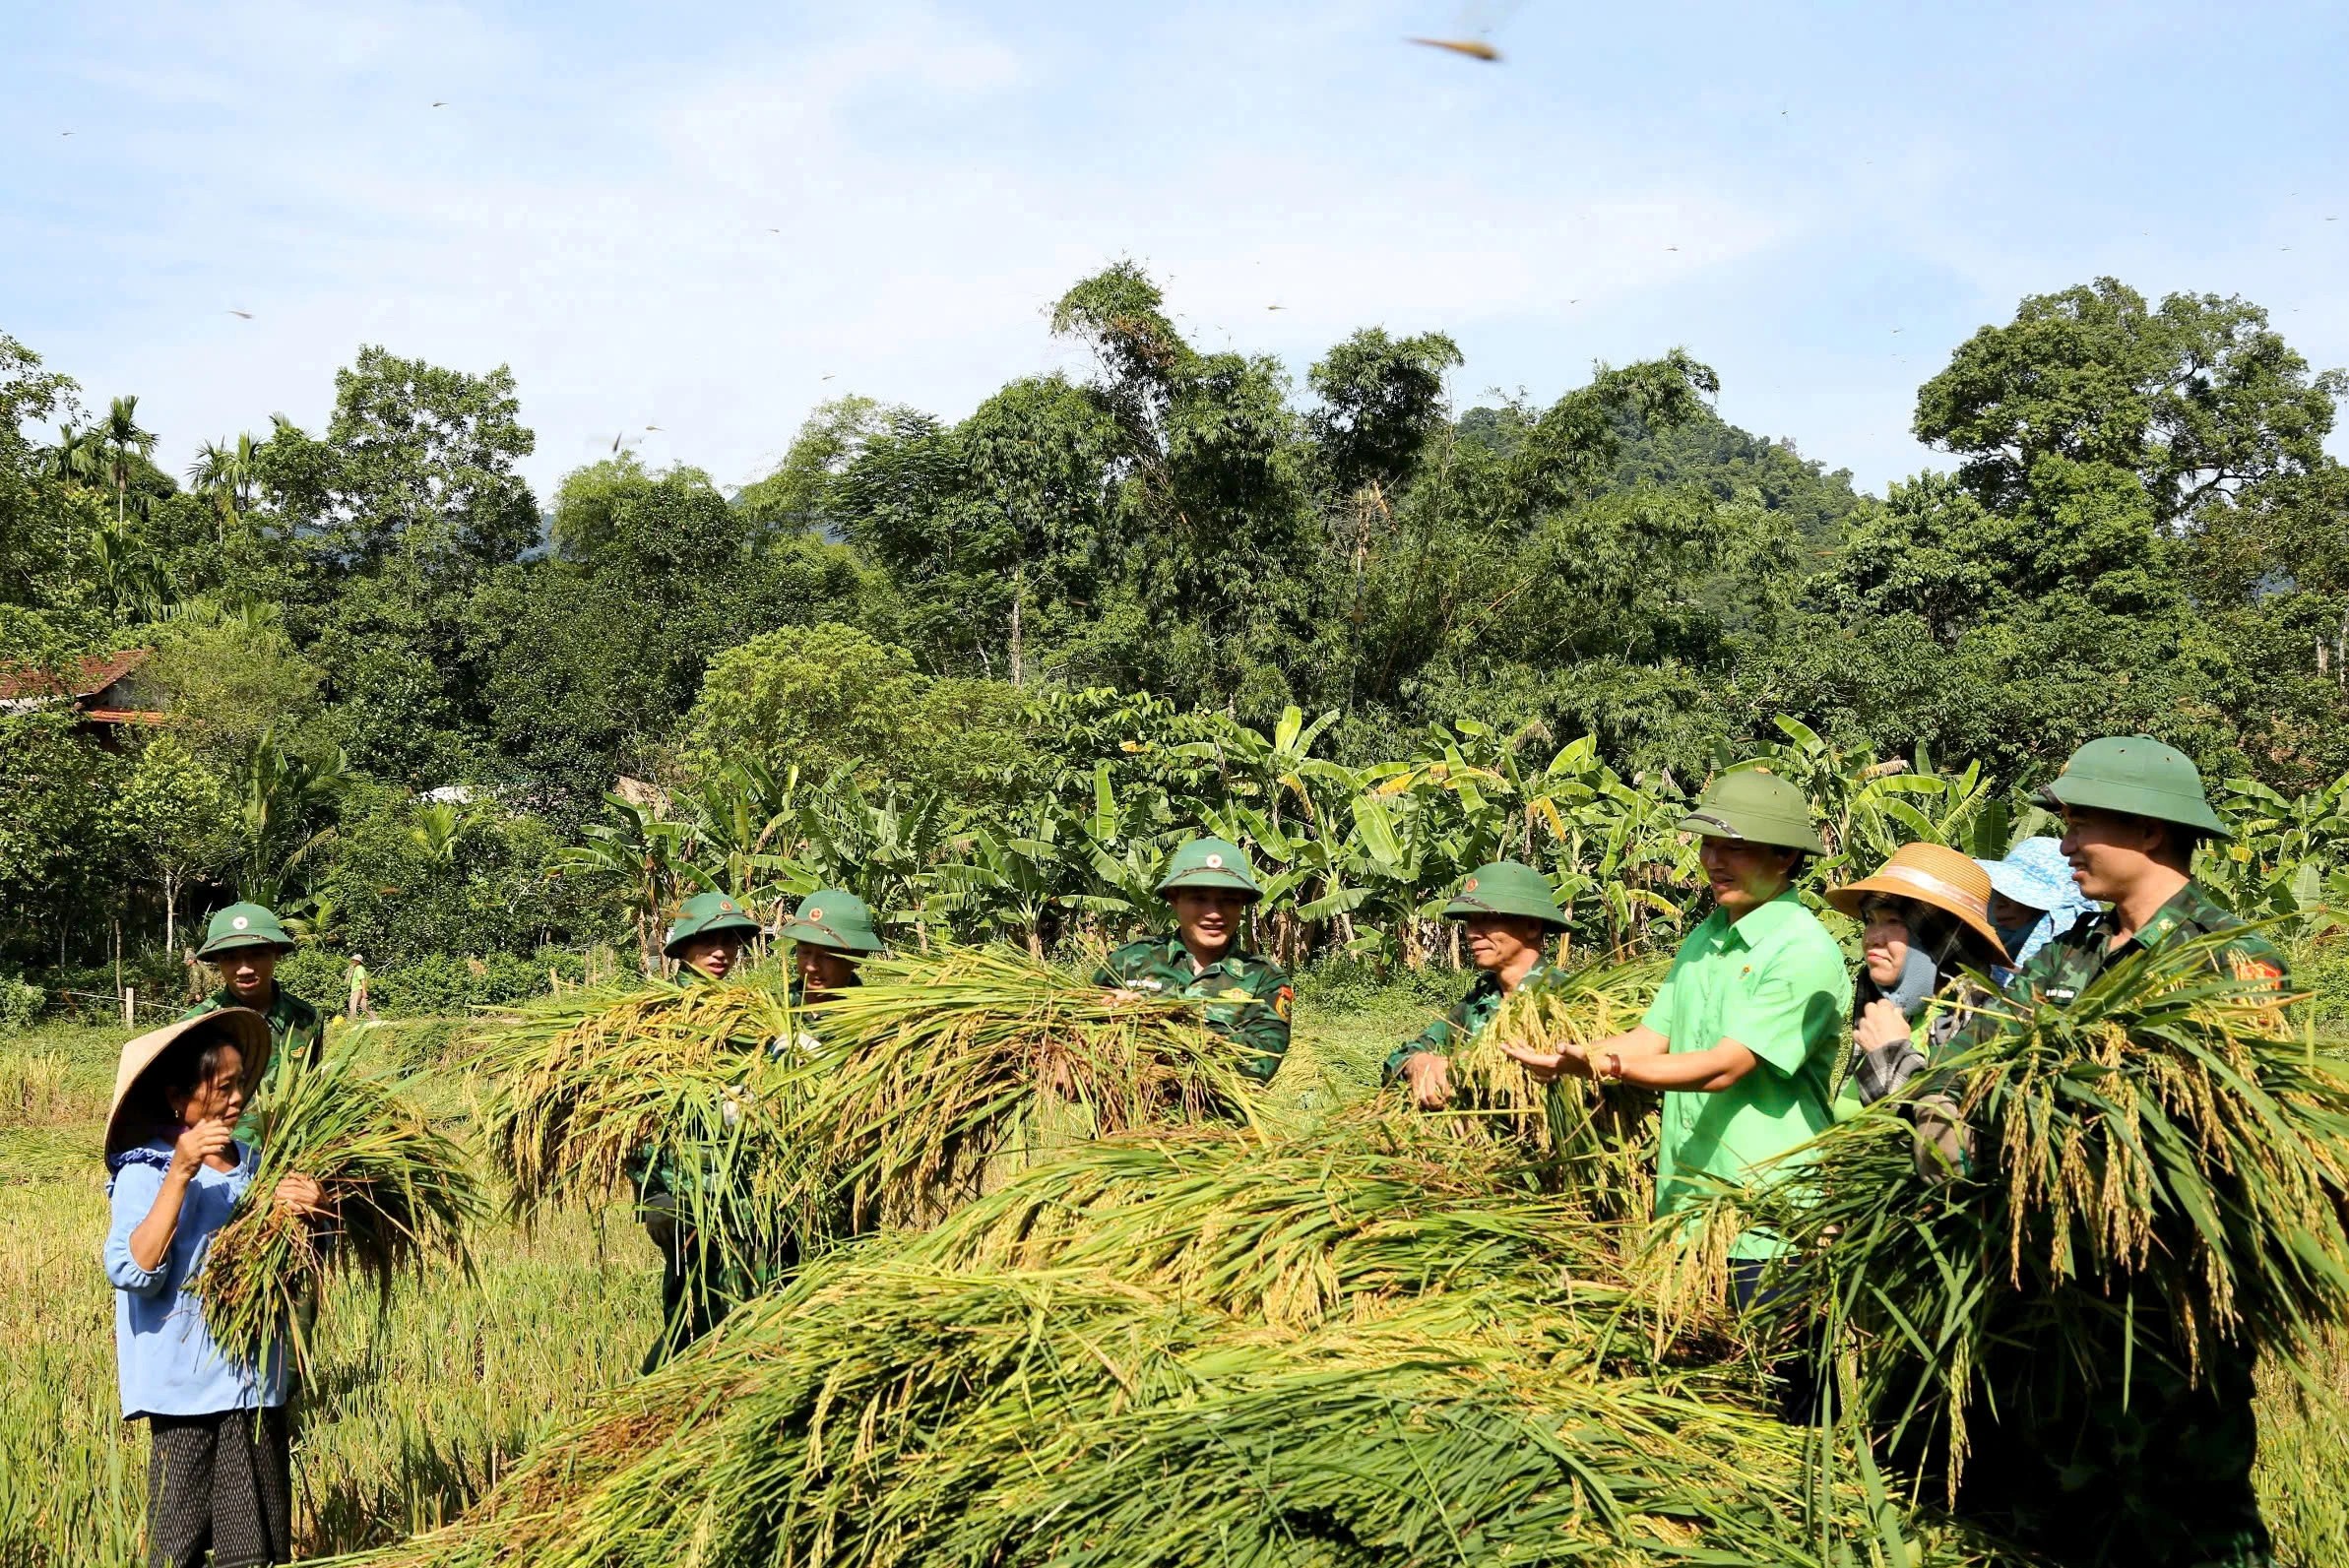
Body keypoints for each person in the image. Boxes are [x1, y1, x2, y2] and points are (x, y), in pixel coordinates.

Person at [1923, 736, 2284, 1568]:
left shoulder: (2230, 959)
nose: (2065, 841)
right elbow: (1984, 1049)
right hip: (2063, 1291)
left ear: (2151, 832)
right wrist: (1944, 1100)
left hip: (2172, 1301)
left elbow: (2237, 1133)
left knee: (2193, 1518)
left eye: (2082, 820)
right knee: (2072, 1516)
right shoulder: (2070, 948)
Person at [1500, 771, 1848, 1311]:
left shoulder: (1802, 950)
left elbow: (1724, 1067)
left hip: (1768, 1218)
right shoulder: (1707, 936)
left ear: (1784, 857)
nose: (1712, 860)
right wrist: (1577, 1057)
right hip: (1686, 1210)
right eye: (1708, 844)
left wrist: (1608, 1067)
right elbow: (1652, 1037)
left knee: (1779, 1390)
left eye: (1733, 846)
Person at [104, 1010, 329, 1568]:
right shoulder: (146, 1171)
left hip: (251, 1382)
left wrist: (312, 1213)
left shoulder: (257, 1168)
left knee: (255, 1547)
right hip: (184, 1391)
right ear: (179, 1099)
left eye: (239, 1087)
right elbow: (132, 1268)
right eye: (221, 1088)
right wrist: (180, 1172)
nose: (236, 1101)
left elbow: (290, 1268)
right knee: (176, 1545)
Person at [635, 890, 769, 1370]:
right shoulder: (658, 1016)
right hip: (681, 1189)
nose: (722, 952)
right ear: (683, 948)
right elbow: (640, 1110)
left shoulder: (748, 1011)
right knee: (694, 1309)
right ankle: (652, 1402)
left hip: (740, 1184)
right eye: (709, 941)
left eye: (730, 942)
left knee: (749, 1302)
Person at [1823, 843, 2007, 1113]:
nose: (1872, 938)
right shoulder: (1892, 1010)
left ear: (1936, 938)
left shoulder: (1974, 1025)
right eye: (1870, 920)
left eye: (1894, 922)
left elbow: (1943, 1132)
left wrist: (1889, 1052)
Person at [1095, 838, 1293, 1083]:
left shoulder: (1264, 978)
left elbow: (1258, 1066)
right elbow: (1076, 1053)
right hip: (1130, 1118)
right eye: (1198, 898)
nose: (1213, 913)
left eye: (1228, 900)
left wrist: (1155, 1022)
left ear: (1242, 904)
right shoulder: (1128, 962)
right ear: (1174, 899)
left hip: (1215, 1120)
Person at [1382, 859, 1568, 1107]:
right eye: (1470, 921)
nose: (1471, 933)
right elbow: (1403, 1056)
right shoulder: (1477, 1002)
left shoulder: (1567, 998)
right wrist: (1418, 1063)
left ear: (1532, 926)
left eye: (1486, 919)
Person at [181, 904, 322, 1145]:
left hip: (292, 1158)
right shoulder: (196, 1026)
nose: (244, 968)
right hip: (225, 1164)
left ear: (276, 952)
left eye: (257, 954)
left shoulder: (306, 1019)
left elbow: (313, 1093)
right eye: (231, 957)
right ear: (217, 961)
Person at [1974, 835, 2096, 982]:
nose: (1999, 904)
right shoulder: (1993, 941)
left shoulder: (2067, 960)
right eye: (1999, 893)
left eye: (2017, 893)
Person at [779, 889, 886, 1005]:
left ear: (859, 956)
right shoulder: (770, 1008)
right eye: (805, 952)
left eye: (827, 956)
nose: (811, 967)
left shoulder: (873, 1017)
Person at [665, 891, 761, 982]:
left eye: (729, 941)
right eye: (707, 941)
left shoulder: (731, 997)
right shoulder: (668, 999)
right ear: (683, 947)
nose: (720, 954)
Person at [345, 953, 372, 1021]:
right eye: (352, 960)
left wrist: (364, 992)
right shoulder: (358, 968)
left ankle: (352, 1021)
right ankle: (375, 1019)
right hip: (359, 989)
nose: (352, 961)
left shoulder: (359, 968)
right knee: (364, 1005)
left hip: (357, 989)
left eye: (354, 960)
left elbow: (362, 980)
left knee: (352, 1005)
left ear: (358, 961)